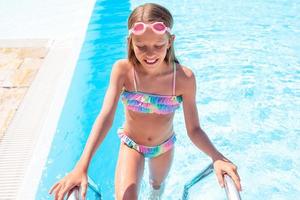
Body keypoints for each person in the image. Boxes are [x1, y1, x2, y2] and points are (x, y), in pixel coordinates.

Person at [49, 3, 242, 200]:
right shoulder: (123, 71)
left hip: (164, 147)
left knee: (156, 189)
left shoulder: (183, 78)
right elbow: (106, 117)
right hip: (132, 144)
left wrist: (217, 157)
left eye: (158, 45)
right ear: (130, 42)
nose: (150, 54)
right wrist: (82, 165)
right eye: (141, 46)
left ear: (170, 42)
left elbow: (194, 129)